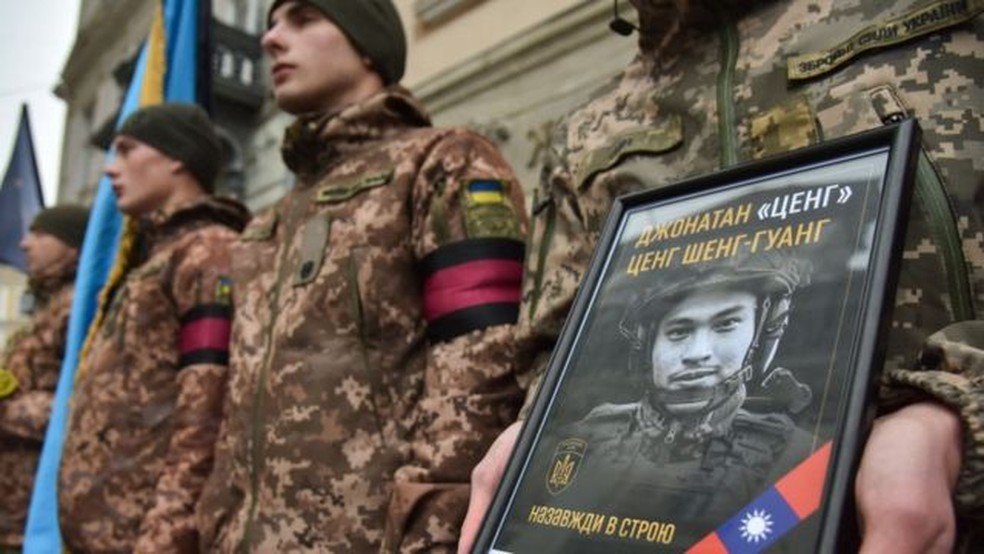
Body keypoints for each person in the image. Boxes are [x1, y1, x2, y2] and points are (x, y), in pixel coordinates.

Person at [459, 1, 984, 552]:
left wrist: (955, 413)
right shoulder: (587, 133)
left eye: (726, 325)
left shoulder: (954, 22)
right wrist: (542, 438)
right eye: (679, 332)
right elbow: (555, 340)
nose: (696, 353)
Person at [194, 1, 528, 552]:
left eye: (303, 19)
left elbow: (483, 368)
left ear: (367, 43)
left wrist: (432, 538)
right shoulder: (267, 224)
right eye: (272, 22)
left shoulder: (442, 164)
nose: (271, 39)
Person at [57, 103, 250, 553]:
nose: (110, 170)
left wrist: (166, 534)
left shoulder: (208, 251)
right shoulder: (155, 257)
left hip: (144, 535)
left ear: (176, 157)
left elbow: (206, 408)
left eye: (126, 151)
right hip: (104, 533)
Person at [0, 205, 88, 550]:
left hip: (40, 518)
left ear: (73, 246)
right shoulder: (48, 308)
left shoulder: (81, 308)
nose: (24, 243)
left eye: (39, 234)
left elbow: (84, 405)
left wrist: (6, 408)